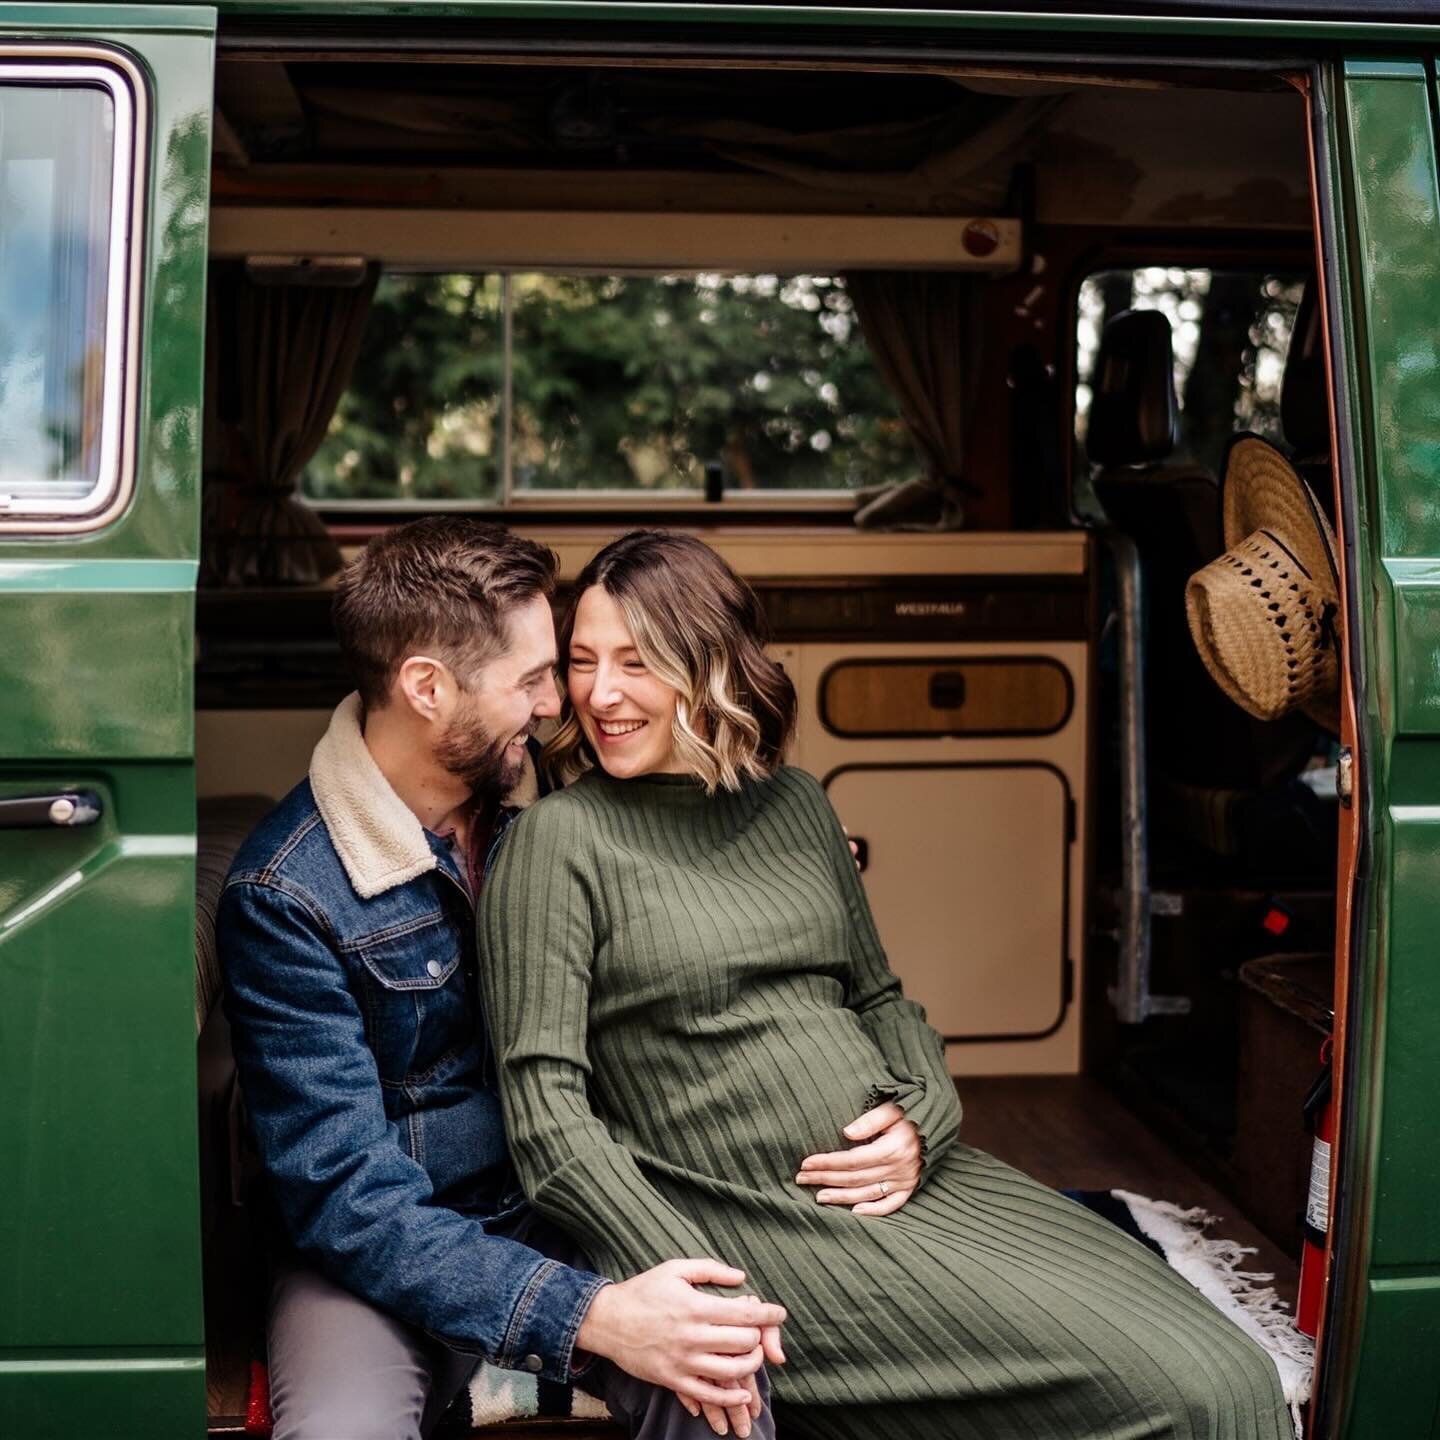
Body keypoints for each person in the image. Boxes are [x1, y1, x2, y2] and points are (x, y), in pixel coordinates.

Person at [479, 528, 1295, 1440]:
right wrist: (684, 1278)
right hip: (750, 1223)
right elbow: (545, 1116)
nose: (599, 693)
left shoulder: (796, 805)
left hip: (921, 1187)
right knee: (1176, 1400)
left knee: (1232, 1374)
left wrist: (922, 1123)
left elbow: (879, 998)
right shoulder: (557, 845)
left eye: (637, 661)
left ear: (710, 663)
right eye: (583, 662)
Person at [218, 518, 783, 1440]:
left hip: (560, 1207)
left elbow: (696, 876)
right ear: (428, 689)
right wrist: (596, 1318)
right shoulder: (285, 892)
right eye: (532, 680)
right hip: (371, 1252)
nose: (563, 704)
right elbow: (346, 1201)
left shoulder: (556, 799)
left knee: (717, 1372)